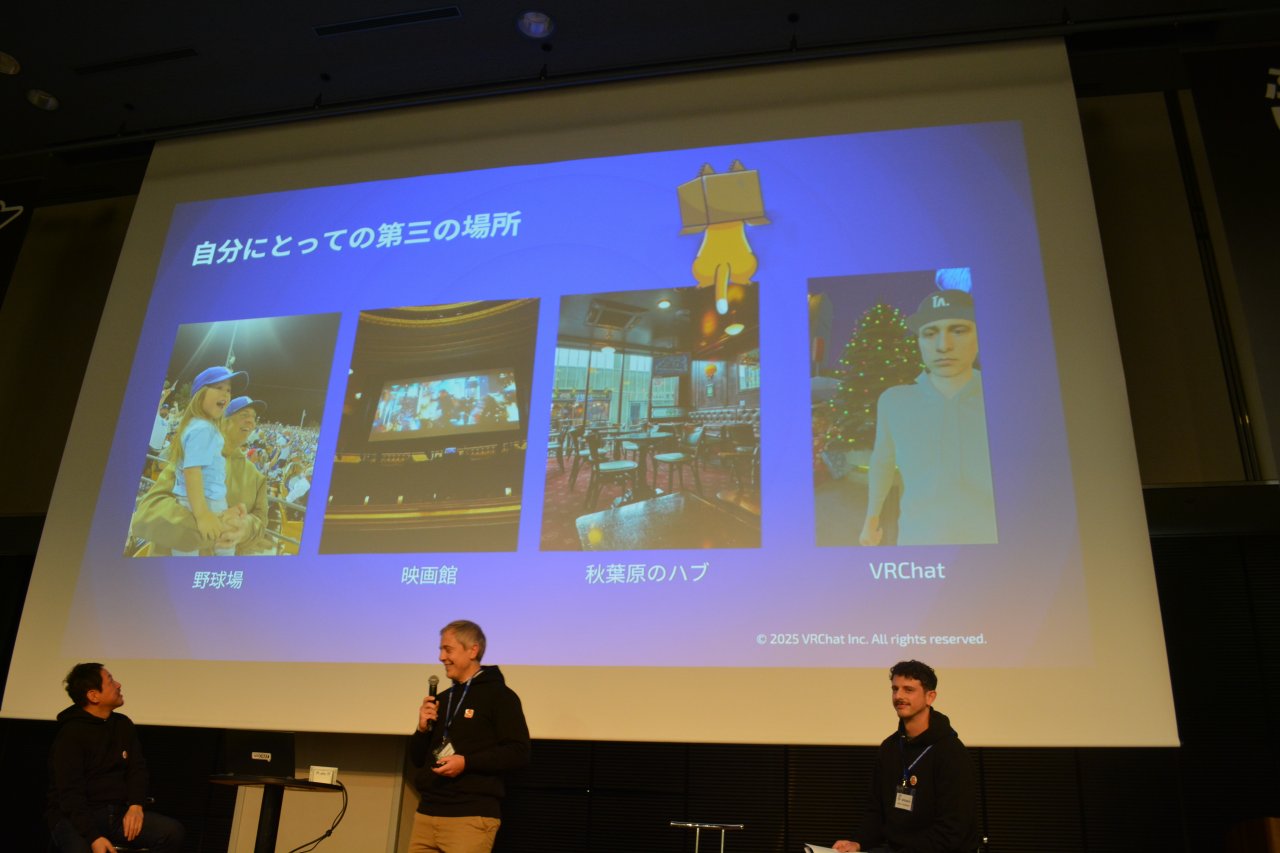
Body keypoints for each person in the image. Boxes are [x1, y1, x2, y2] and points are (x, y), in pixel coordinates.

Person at [859, 290, 997, 546]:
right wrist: (871, 519)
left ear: (979, 337)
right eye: (930, 333)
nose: (943, 345)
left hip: (995, 548)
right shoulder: (895, 401)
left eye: (958, 330)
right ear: (920, 341)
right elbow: (882, 462)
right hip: (919, 543)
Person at [409, 620, 530, 853]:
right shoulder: (442, 699)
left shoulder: (500, 696)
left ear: (473, 650)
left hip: (470, 817)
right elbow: (417, 759)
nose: (441, 657)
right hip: (426, 815)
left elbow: (519, 752)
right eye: (440, 650)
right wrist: (422, 729)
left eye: (448, 649)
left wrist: (466, 762)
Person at [833, 660, 978, 853]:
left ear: (930, 697)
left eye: (908, 690)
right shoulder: (889, 748)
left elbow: (952, 829)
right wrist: (858, 843)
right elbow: (876, 811)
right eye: (895, 689)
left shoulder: (951, 753)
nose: (898, 696)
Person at [46, 663, 185, 853]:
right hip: (76, 818)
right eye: (111, 681)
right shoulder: (71, 734)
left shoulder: (122, 725)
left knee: (171, 832)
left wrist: (136, 805)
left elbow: (137, 769)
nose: (118, 685)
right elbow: (70, 794)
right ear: (93, 695)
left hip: (117, 815)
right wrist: (93, 837)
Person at [130, 396, 272, 556]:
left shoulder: (256, 477)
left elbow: (261, 522)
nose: (251, 421)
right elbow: (148, 511)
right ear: (223, 420)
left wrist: (247, 528)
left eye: (254, 417)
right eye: (244, 415)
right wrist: (212, 527)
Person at [167, 365, 249, 555]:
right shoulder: (203, 428)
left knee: (196, 554)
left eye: (228, 390)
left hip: (202, 501)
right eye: (219, 387)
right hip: (200, 504)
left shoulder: (200, 425)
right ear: (200, 394)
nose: (226, 393)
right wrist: (203, 515)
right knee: (220, 553)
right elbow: (192, 471)